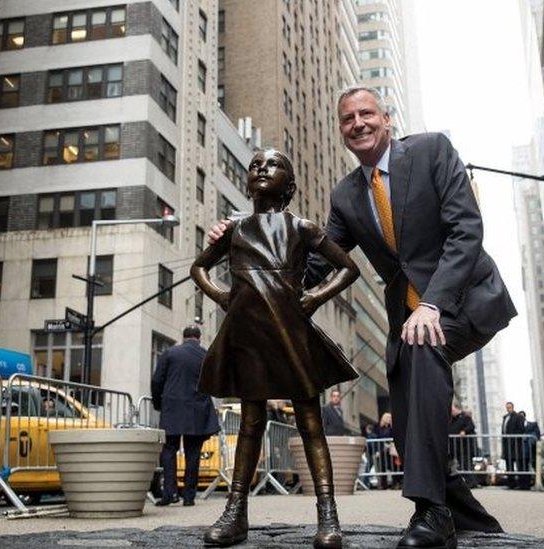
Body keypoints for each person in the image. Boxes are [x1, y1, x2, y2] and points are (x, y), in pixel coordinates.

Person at [208, 86, 515, 548]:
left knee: (424, 348)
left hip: (463, 300)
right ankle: (468, 518)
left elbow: (466, 229)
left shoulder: (432, 151)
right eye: (348, 119)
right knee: (407, 419)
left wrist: (432, 304)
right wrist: (243, 243)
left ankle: (431, 514)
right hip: (405, 317)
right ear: (342, 131)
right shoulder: (348, 195)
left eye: (367, 114)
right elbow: (314, 264)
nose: (359, 124)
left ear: (386, 119)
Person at [192, 148, 360, 548]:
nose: (261, 169)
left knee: (310, 422)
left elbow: (347, 267)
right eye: (254, 165)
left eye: (273, 165)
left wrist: (316, 297)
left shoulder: (301, 227)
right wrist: (221, 295)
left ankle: (328, 515)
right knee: (251, 423)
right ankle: (236, 512)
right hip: (248, 335)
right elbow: (198, 267)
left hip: (292, 334)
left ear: (290, 185)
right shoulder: (235, 230)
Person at [150, 325, 221, 507]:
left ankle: (169, 494)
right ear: (199, 338)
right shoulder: (206, 355)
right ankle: (189, 497)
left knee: (168, 451)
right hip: (197, 409)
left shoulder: (170, 353)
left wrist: (158, 403)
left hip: (172, 408)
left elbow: (157, 380)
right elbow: (214, 382)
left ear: (183, 337)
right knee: (193, 453)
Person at [448, 404, 478, 488]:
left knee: (466, 465)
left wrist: (464, 431)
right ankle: (470, 482)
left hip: (465, 447)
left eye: (452, 409)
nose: (450, 411)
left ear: (457, 409)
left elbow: (471, 426)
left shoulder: (466, 417)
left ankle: (472, 482)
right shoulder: (452, 420)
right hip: (455, 447)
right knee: (461, 465)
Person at [500, 402, 527, 489]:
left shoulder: (518, 417)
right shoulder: (505, 417)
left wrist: (514, 438)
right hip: (507, 445)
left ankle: (521, 484)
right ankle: (511, 483)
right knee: (509, 465)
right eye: (507, 407)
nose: (508, 409)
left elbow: (521, 429)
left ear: (513, 407)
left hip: (515, 444)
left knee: (519, 464)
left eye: (510, 407)